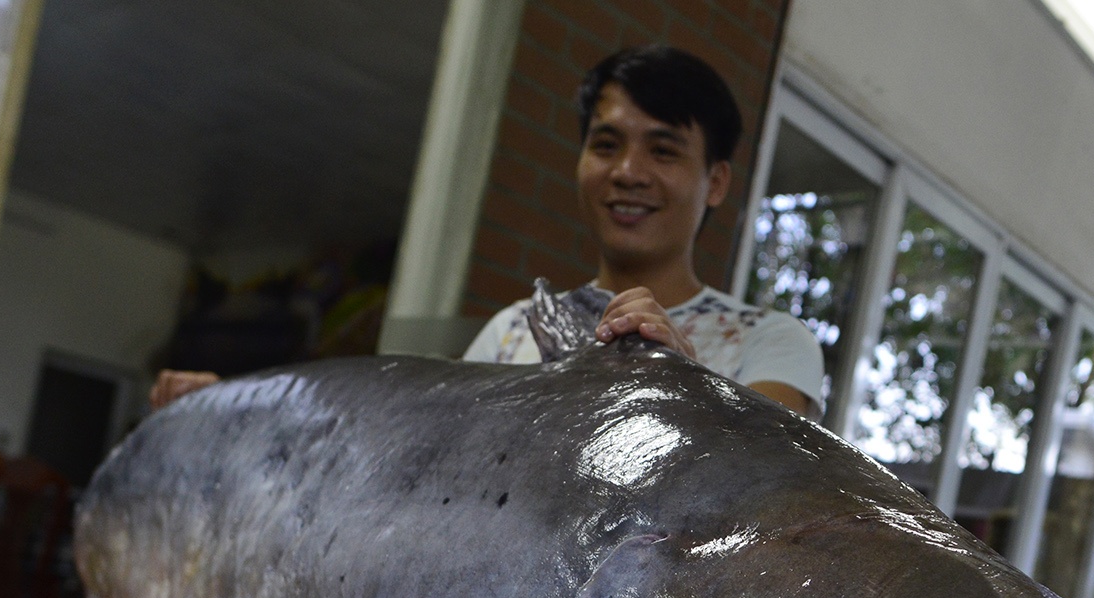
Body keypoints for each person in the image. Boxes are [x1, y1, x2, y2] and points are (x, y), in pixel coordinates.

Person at [151, 45, 822, 417]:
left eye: (664, 151)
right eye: (606, 144)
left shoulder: (771, 344)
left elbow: (772, 487)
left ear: (717, 182)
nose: (628, 172)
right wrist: (229, 415)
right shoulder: (510, 332)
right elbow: (404, 456)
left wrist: (684, 384)